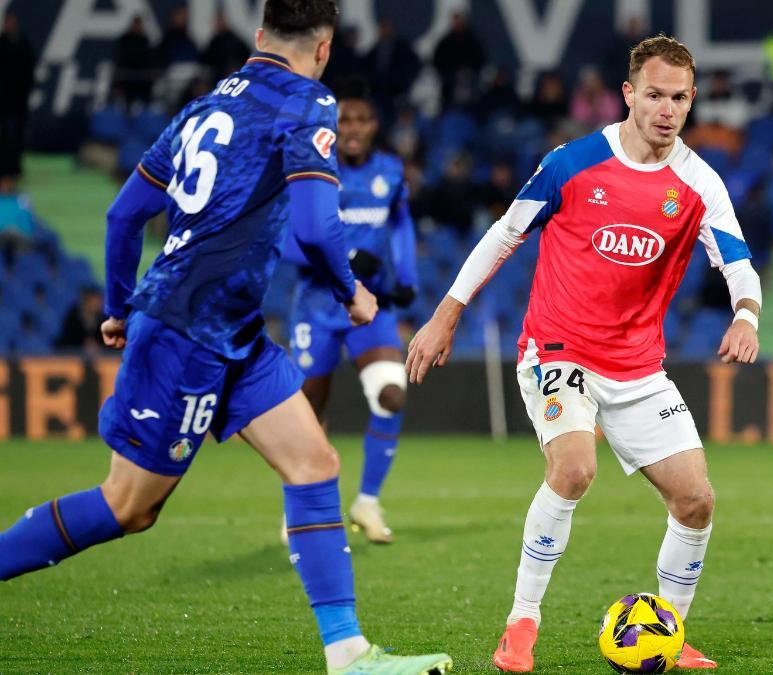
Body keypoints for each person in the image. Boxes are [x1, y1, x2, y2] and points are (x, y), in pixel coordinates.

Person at [0, 2, 452, 673]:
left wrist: (121, 303)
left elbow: (125, 214)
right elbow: (314, 227)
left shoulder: (203, 108)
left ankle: (349, 653)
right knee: (129, 506)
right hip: (189, 327)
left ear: (260, 36)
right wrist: (349, 291)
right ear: (324, 49)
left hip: (227, 323)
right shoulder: (308, 101)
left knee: (314, 463)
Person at [406, 34, 761, 672]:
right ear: (628, 94)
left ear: (692, 100)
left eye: (680, 98)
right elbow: (505, 232)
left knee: (697, 500)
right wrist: (445, 313)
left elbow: (737, 261)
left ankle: (669, 635)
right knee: (573, 469)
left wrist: (746, 315)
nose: (667, 109)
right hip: (558, 349)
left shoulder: (699, 182)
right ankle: (521, 625)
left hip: (637, 366)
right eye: (654, 94)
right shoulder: (572, 162)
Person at [281, 80, 418, 545]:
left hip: (370, 308)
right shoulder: (312, 173)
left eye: (361, 120)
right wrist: (344, 264)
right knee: (306, 413)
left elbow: (400, 223)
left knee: (391, 394)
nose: (353, 128)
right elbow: (287, 241)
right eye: (344, 121)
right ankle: (300, 506)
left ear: (374, 126)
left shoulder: (390, 172)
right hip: (318, 307)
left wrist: (407, 277)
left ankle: (367, 501)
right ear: (332, 128)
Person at [0, 11, 35, 189]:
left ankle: (15, 169)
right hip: (3, 99)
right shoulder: (2, 43)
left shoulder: (24, 45)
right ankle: (4, 170)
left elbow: (30, 71)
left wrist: (25, 90)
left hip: (19, 99)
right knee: (4, 135)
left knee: (18, 135)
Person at [432, 11, 485, 112]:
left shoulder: (473, 41)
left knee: (471, 109)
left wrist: (468, 71)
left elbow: (480, 60)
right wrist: (448, 73)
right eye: (456, 21)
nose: (458, 24)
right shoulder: (445, 42)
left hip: (470, 82)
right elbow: (437, 61)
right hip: (450, 84)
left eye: (460, 21)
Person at [55, 285, 106, 353]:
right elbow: (68, 339)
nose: (99, 303)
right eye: (96, 300)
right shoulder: (73, 317)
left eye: (100, 300)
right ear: (87, 301)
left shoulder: (103, 320)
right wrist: (83, 344)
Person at [202, 13, 251, 78]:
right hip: (218, 76)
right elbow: (205, 60)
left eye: (220, 21)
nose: (218, 24)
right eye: (217, 22)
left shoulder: (234, 39)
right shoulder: (214, 41)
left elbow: (246, 54)